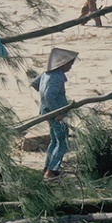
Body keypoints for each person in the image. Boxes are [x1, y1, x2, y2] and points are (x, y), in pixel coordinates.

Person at [34, 48, 76, 181]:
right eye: (69, 64)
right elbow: (48, 95)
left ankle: (48, 167)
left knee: (54, 140)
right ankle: (52, 171)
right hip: (55, 114)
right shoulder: (56, 77)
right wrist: (58, 112)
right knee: (62, 141)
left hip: (47, 111)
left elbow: (35, 84)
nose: (70, 66)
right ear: (62, 64)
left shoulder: (46, 74)